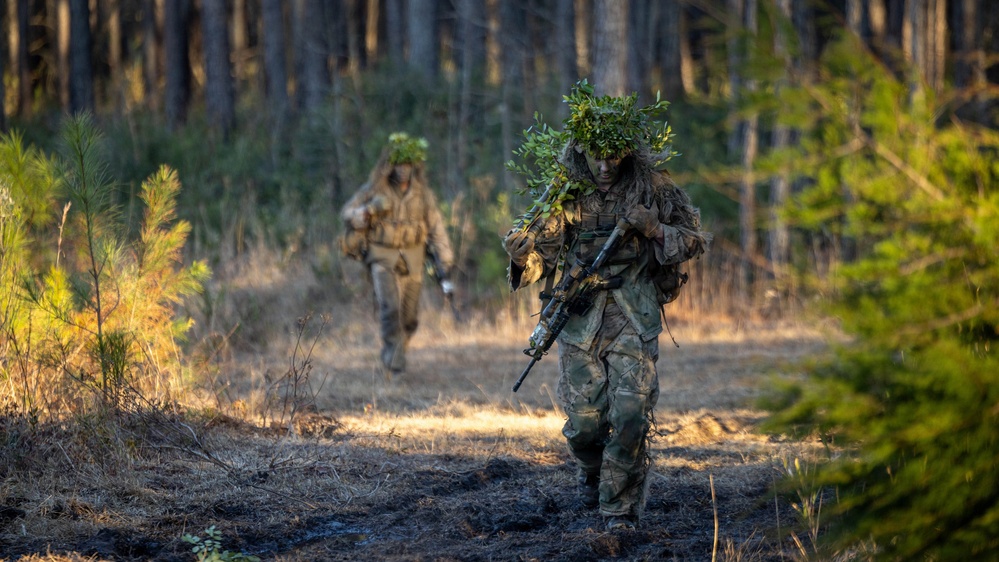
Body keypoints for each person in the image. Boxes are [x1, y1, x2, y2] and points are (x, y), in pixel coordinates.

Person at [503, 87, 710, 531]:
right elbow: (544, 258)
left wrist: (654, 228)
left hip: (633, 316)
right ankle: (595, 476)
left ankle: (618, 509)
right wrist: (522, 258)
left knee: (632, 415)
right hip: (579, 320)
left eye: (612, 156)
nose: (603, 166)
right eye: (595, 156)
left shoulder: (654, 189)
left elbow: (693, 241)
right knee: (583, 427)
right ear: (582, 151)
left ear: (627, 153)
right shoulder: (565, 193)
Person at [340, 132, 454, 379]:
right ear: (389, 166)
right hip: (381, 256)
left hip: (413, 257)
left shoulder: (423, 194)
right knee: (389, 307)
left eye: (407, 165)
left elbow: (436, 226)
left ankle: (397, 350)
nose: (403, 170)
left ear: (415, 167)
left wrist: (445, 258)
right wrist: (366, 211)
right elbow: (347, 212)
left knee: (410, 317)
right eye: (398, 165)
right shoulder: (375, 189)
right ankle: (394, 362)